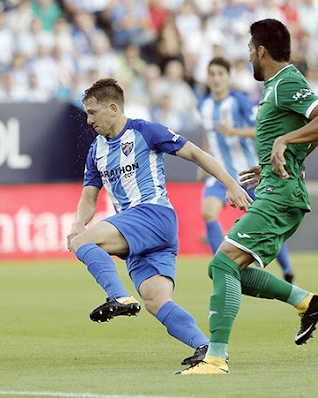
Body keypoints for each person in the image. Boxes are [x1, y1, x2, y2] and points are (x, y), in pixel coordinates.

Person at [178, 19, 318, 375]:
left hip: (280, 194)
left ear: (262, 51)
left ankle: (216, 358)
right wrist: (273, 159)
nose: (249, 56)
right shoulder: (272, 87)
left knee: (222, 263)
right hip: (273, 186)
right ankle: (306, 302)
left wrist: (284, 144)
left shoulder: (287, 81)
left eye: (250, 50)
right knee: (226, 267)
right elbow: (307, 132)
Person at [67, 78, 252, 368]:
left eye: (93, 112)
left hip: (153, 215)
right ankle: (209, 348)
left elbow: (195, 153)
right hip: (141, 233)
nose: (89, 120)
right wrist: (78, 221)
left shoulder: (144, 131)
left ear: (113, 108)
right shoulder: (96, 151)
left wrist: (230, 184)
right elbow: (89, 196)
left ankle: (118, 296)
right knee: (155, 300)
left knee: (82, 243)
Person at [197, 56, 297, 284]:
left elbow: (260, 130)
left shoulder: (239, 101)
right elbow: (208, 132)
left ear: (228, 77)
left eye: (220, 74)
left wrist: (234, 132)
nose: (216, 79)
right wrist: (204, 161)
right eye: (212, 74)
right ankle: (221, 269)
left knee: (268, 223)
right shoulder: (203, 104)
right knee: (208, 211)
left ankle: (288, 270)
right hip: (221, 174)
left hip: (247, 173)